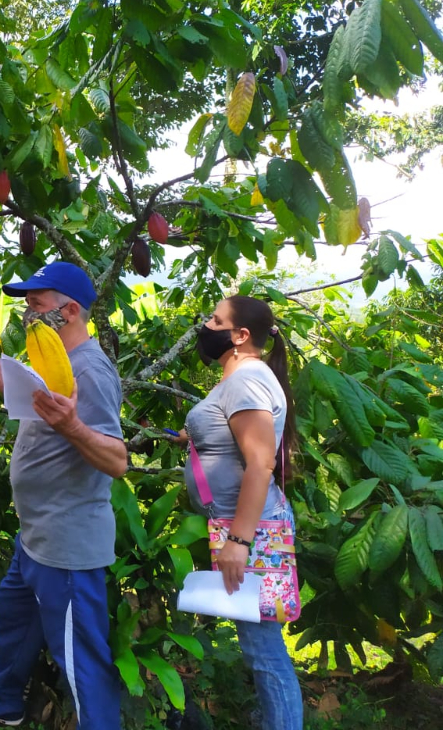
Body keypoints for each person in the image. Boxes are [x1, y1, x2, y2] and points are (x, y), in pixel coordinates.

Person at [0, 261, 128, 729]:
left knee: (82, 658)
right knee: (15, 623)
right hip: (36, 539)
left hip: (68, 547)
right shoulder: (53, 361)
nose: (27, 314)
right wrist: (0, 377)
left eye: (36, 305)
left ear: (68, 311)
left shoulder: (91, 372)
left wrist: (72, 426)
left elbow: (116, 460)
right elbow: (37, 407)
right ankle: (2, 703)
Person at [182, 295, 302, 730]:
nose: (207, 325)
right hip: (245, 526)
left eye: (216, 319)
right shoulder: (242, 379)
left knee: (263, 650)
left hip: (252, 530)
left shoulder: (245, 380)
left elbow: (260, 462)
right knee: (259, 643)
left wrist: (239, 541)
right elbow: (232, 433)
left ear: (240, 336)